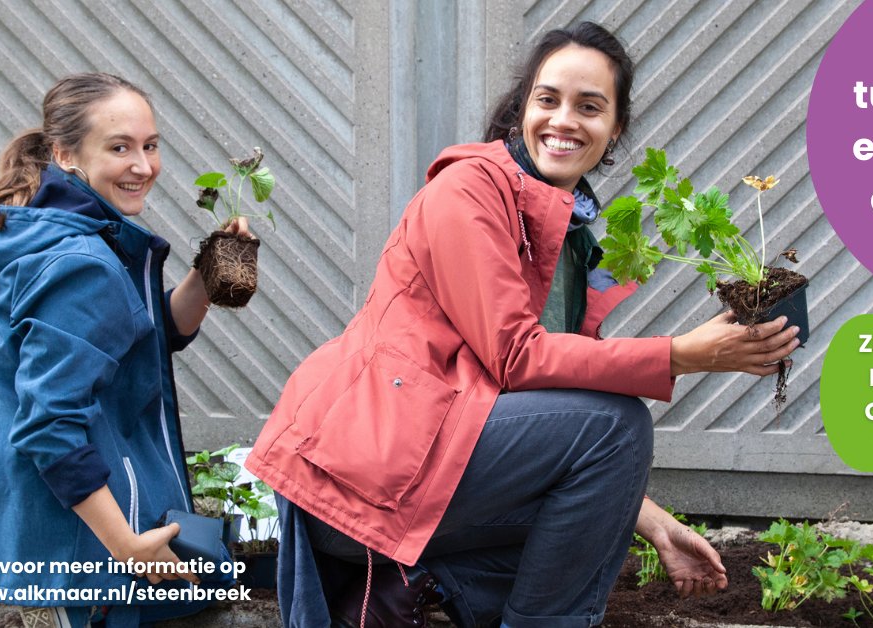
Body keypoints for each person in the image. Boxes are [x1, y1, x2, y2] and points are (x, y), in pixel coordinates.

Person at [246, 22, 799, 628]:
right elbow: (518, 359)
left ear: (616, 128)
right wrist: (683, 354)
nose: (564, 121)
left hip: (420, 468)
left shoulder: (563, 233)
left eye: (590, 107)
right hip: (357, 477)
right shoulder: (468, 191)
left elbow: (551, 420)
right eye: (548, 100)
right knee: (616, 424)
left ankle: (406, 593)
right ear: (521, 109)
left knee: (594, 493)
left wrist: (655, 525)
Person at [0, 72, 249, 628]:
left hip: (5, 509)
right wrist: (126, 547)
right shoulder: (80, 261)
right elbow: (49, 427)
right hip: (70, 543)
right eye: (120, 147)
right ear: (65, 153)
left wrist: (205, 277)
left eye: (151, 146)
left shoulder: (30, 224)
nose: (144, 166)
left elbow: (134, 338)